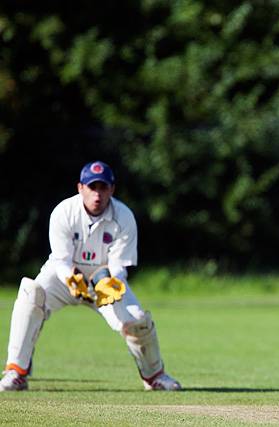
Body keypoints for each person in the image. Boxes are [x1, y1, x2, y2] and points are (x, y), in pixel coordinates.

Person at [0, 161, 181, 391]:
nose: (97, 194)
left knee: (137, 321)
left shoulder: (123, 216)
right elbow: (61, 259)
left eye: (103, 188)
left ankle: (155, 376)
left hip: (102, 283)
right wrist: (71, 279)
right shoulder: (64, 212)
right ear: (80, 188)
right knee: (31, 295)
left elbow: (118, 263)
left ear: (112, 190)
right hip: (63, 278)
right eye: (92, 187)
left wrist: (111, 282)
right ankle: (16, 372)